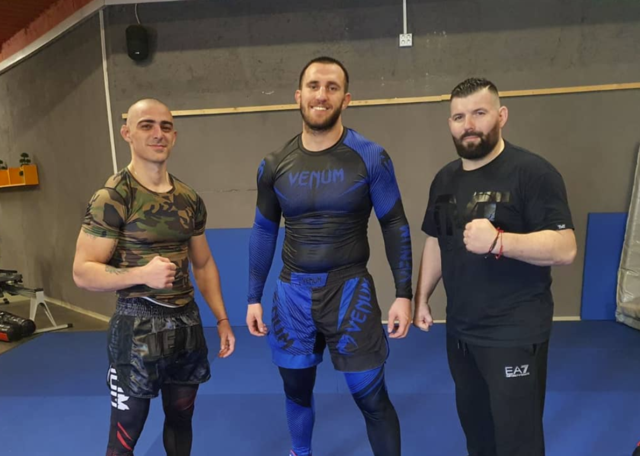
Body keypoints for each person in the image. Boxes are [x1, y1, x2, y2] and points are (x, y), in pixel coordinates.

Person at [246, 56, 413, 456]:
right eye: (314, 86)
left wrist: (403, 293)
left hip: (349, 291)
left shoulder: (371, 156)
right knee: (296, 391)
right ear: (298, 95)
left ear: (346, 99)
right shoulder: (274, 164)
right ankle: (300, 453)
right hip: (292, 295)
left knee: (372, 399)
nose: (321, 95)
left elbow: (394, 224)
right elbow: (264, 230)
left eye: (332, 87)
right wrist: (253, 296)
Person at [414, 78, 577, 456]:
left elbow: (565, 248)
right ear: (450, 123)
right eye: (459, 117)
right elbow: (437, 240)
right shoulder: (444, 179)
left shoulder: (532, 172)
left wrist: (500, 242)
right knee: (479, 437)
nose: (468, 124)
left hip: (514, 334)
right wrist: (422, 297)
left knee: (518, 443)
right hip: (461, 332)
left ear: (501, 116)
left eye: (479, 113)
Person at [73, 98, 235, 456]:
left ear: (174, 136)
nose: (158, 133)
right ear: (127, 133)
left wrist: (222, 319)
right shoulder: (113, 196)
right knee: (126, 432)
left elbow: (203, 264)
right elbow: (82, 272)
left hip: (186, 325)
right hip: (137, 327)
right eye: (146, 125)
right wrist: (141, 274)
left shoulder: (189, 198)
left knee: (181, 419)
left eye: (165, 126)